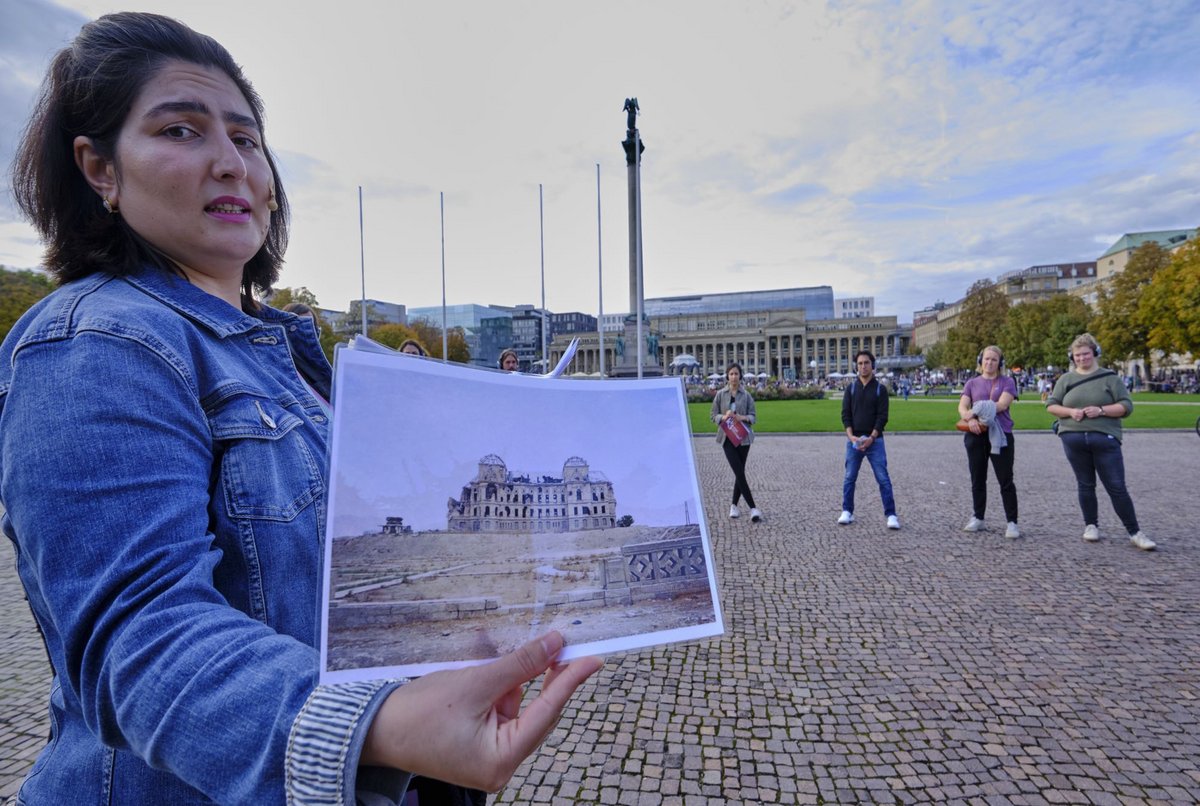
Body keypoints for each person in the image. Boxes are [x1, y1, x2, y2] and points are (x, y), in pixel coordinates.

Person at [0, 13, 601, 805]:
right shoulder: (98, 341)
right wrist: (379, 722)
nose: (230, 163)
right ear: (99, 168)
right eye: (181, 130)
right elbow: (140, 637)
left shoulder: (285, 354)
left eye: (247, 140)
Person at [1046, 334, 1155, 551]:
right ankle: (1091, 525)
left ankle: (1135, 531)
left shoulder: (1110, 378)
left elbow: (1126, 406)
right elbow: (1051, 405)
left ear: (1095, 353)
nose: (1081, 358)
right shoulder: (1066, 380)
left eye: (1085, 354)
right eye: (1077, 355)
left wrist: (1101, 410)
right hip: (1074, 438)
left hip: (1104, 438)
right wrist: (1070, 412)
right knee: (1085, 484)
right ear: (1072, 357)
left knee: (1116, 486)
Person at [957, 346, 1020, 538]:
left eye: (994, 359)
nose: (989, 363)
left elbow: (1001, 405)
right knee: (977, 478)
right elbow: (962, 406)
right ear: (980, 361)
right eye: (986, 359)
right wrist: (971, 419)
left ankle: (1012, 522)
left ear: (999, 363)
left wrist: (975, 412)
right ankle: (978, 517)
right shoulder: (972, 383)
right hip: (975, 434)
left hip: (1000, 434)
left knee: (1005, 480)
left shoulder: (1007, 382)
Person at [838, 350, 900, 529]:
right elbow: (845, 415)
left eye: (866, 363)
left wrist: (872, 438)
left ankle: (891, 514)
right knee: (849, 477)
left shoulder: (880, 389)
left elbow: (882, 417)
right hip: (855, 440)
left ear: (873, 365)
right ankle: (847, 511)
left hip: (875, 441)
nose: (863, 366)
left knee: (883, 478)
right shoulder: (851, 388)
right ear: (856, 366)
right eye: (860, 363)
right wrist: (851, 436)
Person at [710, 362, 762, 522]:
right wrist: (723, 417)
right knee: (739, 472)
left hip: (743, 439)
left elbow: (753, 416)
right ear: (727, 376)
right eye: (731, 374)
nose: (734, 377)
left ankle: (734, 506)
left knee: (739, 473)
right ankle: (753, 508)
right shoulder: (720, 395)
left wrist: (742, 417)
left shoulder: (746, 395)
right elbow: (713, 415)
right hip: (727, 438)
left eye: (736, 374)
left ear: (740, 376)